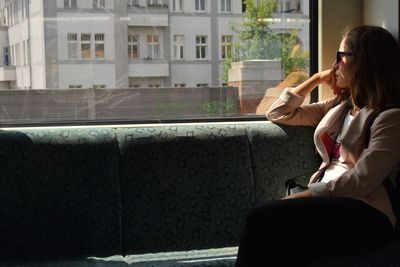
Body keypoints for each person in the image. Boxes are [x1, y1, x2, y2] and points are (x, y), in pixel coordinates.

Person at [235, 25, 400, 267]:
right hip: (331, 204)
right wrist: (315, 80)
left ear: (362, 63)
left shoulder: (389, 118)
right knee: (284, 247)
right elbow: (279, 113)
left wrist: (307, 195)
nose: (334, 65)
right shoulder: (340, 107)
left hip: (366, 213)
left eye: (340, 57)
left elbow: (362, 181)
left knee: (258, 218)